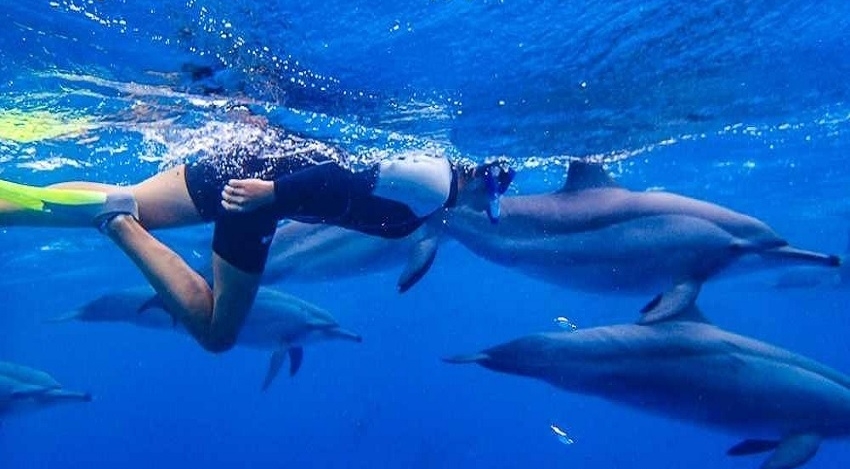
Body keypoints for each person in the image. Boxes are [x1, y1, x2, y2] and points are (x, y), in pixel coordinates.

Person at [0, 121, 515, 354]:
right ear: (481, 175)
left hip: (247, 160)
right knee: (217, 333)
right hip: (258, 195)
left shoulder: (427, 171)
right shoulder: (435, 185)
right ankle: (115, 226)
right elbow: (341, 180)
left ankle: (12, 208)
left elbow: (344, 169)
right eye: (496, 185)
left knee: (128, 195)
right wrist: (271, 194)